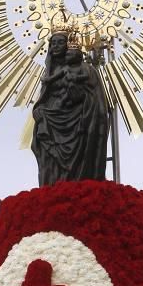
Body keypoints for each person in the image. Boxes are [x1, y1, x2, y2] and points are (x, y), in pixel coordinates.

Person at [31, 31, 109, 186]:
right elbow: (43, 99)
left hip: (79, 121)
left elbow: (95, 98)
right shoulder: (50, 71)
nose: (56, 46)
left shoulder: (86, 69)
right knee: (48, 157)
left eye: (60, 42)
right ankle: (52, 189)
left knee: (79, 163)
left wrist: (79, 96)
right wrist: (38, 111)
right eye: (53, 43)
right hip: (53, 120)